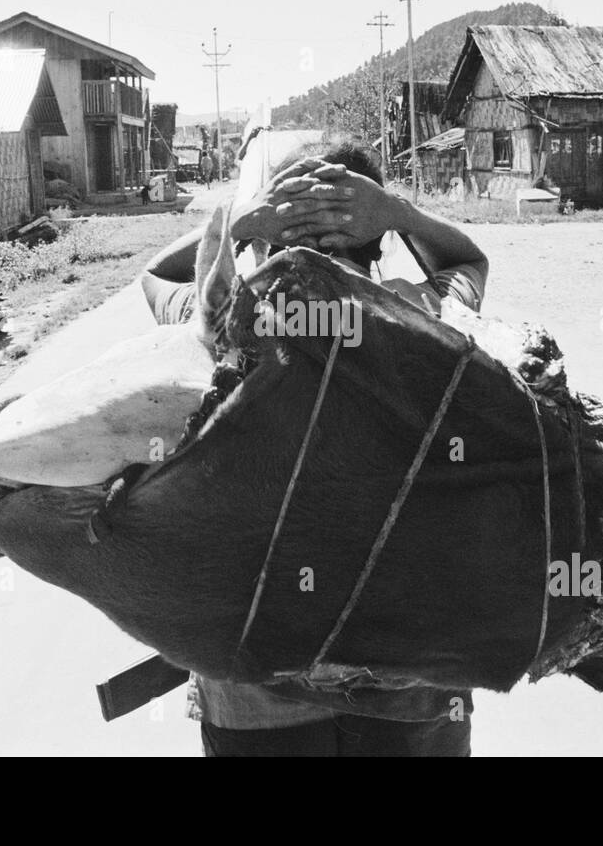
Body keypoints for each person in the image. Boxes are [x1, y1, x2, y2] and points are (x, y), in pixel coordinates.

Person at [141, 138, 488, 756]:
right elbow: (470, 263)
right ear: (377, 244)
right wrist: (399, 212)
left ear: (269, 245)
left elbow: (157, 276)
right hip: (417, 686)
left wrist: (246, 218)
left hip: (252, 693)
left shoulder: (223, 324)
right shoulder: (423, 314)